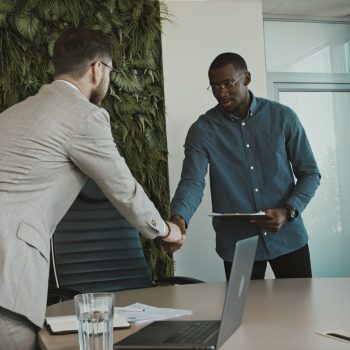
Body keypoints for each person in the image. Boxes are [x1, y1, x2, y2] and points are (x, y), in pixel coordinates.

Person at [0, 28, 184, 350]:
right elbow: (124, 190)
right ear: (97, 69)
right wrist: (166, 231)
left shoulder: (10, 115)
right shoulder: (84, 116)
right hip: (8, 271)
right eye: (110, 72)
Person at [170, 52, 321, 281]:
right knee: (244, 315)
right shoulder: (202, 130)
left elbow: (310, 173)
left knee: (300, 311)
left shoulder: (283, 118)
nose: (221, 92)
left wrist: (288, 210)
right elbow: (192, 180)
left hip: (289, 237)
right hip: (237, 244)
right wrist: (179, 218)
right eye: (214, 86)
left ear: (247, 78)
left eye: (228, 83)